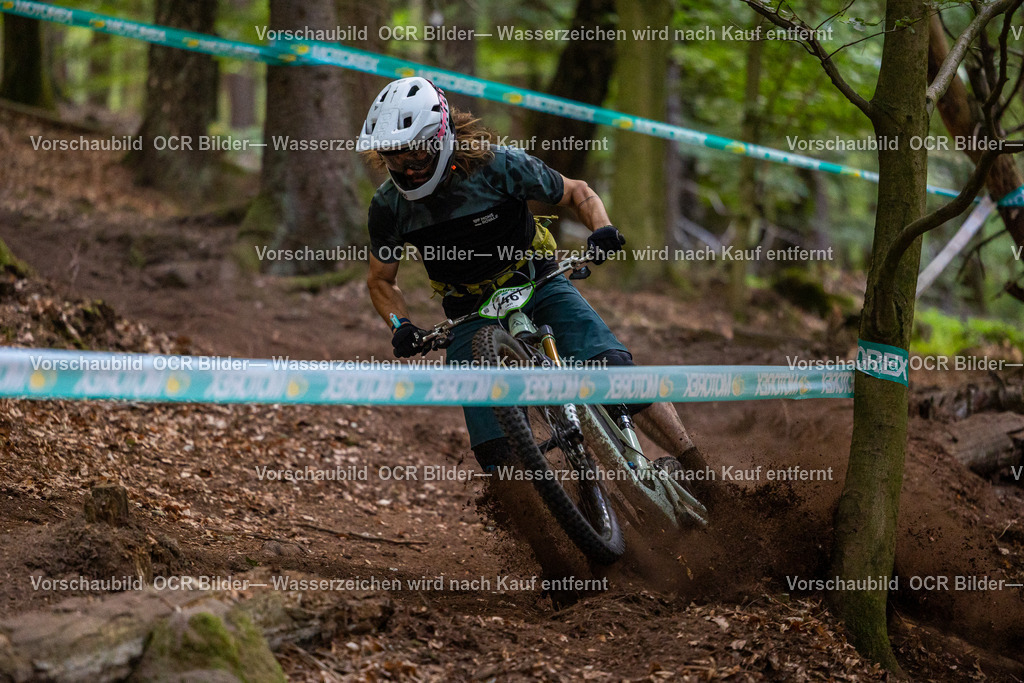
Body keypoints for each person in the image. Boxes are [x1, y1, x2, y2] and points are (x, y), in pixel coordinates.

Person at [358, 76, 705, 478]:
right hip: (468, 311)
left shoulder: (497, 165)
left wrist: (602, 230)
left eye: (415, 152)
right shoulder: (388, 206)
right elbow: (381, 280)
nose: (408, 167)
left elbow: (576, 192)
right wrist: (400, 326)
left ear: (441, 137)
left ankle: (696, 466)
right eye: (393, 157)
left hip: (535, 278)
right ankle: (545, 526)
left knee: (614, 371)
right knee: (496, 452)